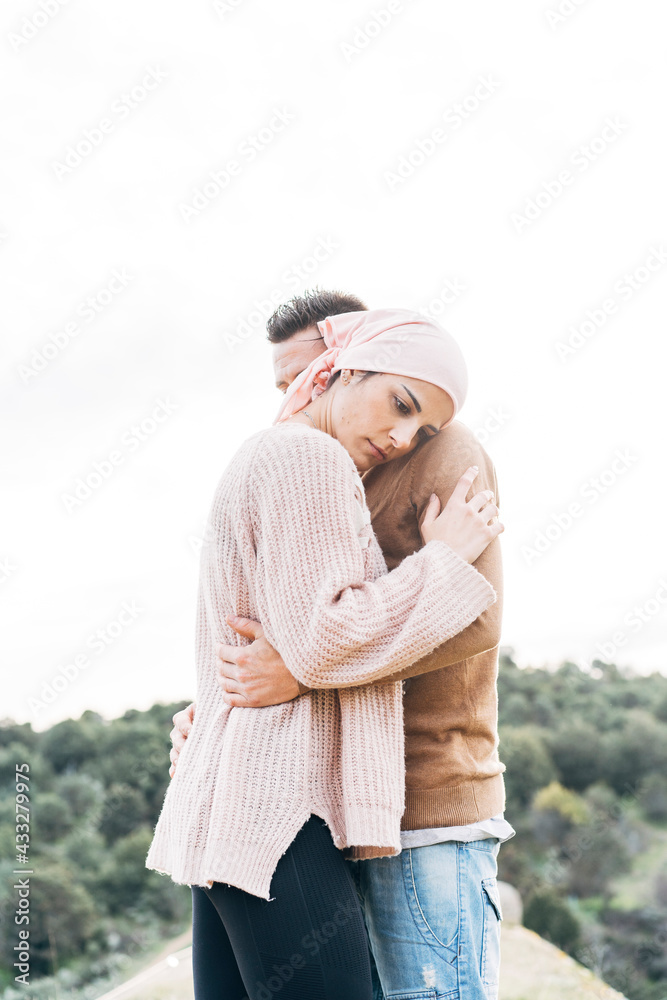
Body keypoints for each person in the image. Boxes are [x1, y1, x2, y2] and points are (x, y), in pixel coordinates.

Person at [146, 303, 503, 1000]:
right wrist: (447, 559)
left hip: (239, 810)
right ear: (344, 368)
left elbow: (282, 629)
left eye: (421, 427)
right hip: (280, 803)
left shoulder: (267, 453)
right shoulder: (308, 456)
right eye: (397, 406)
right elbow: (325, 637)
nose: (402, 438)